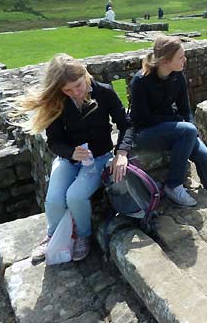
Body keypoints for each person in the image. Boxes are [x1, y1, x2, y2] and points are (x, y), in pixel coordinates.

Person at [19, 54, 132, 262]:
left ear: (85, 74)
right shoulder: (57, 101)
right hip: (67, 160)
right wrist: (71, 153)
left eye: (78, 86)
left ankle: (83, 235)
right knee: (53, 199)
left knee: (76, 196)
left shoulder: (104, 92)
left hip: (99, 157)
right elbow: (54, 141)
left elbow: (126, 124)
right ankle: (52, 235)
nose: (75, 93)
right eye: (68, 90)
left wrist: (122, 153)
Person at [129, 36, 207, 206]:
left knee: (202, 153)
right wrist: (182, 125)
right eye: (180, 57)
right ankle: (173, 185)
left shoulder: (177, 76)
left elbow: (185, 109)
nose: (184, 60)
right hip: (144, 132)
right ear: (165, 61)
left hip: (170, 127)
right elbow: (142, 118)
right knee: (187, 131)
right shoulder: (141, 81)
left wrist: (190, 126)